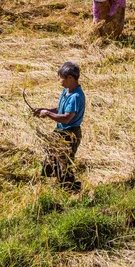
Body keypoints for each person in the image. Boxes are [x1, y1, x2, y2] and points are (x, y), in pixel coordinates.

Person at [33, 62, 85, 191]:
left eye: (60, 77)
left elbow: (67, 118)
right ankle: (59, 185)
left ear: (70, 78)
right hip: (60, 131)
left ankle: (72, 189)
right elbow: (60, 109)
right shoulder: (66, 92)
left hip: (69, 134)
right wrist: (44, 109)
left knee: (64, 163)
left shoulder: (75, 96)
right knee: (52, 157)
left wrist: (48, 114)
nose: (59, 80)